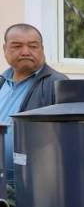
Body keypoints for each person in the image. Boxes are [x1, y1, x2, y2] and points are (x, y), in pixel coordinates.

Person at [1, 24, 68, 186]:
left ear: (42, 49)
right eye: (17, 46)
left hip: (28, 186)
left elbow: (66, 142)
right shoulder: (2, 82)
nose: (25, 51)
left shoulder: (58, 84)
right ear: (5, 49)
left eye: (33, 46)